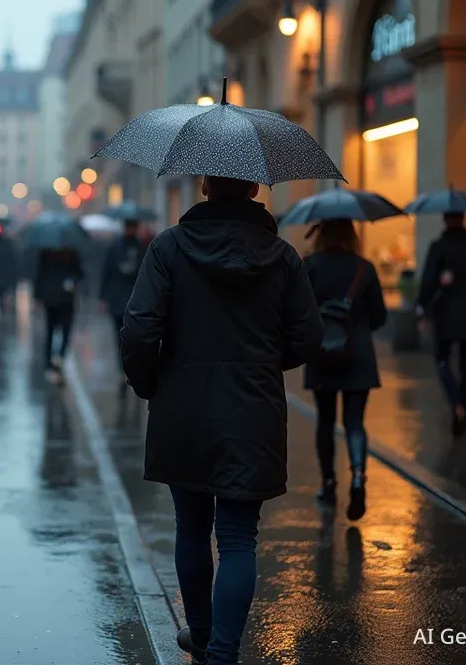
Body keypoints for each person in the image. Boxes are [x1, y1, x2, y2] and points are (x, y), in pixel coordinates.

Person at [121, 176, 322, 665]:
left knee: (191, 528)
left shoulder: (169, 247)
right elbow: (308, 337)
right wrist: (262, 363)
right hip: (252, 411)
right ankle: (223, 653)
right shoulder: (283, 256)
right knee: (237, 537)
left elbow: (140, 326)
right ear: (255, 190)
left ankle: (203, 633)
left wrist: (152, 384)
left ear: (205, 188)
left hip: (184, 407)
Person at [303, 219, 387, 521]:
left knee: (325, 421)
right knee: (355, 422)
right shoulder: (365, 268)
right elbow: (379, 316)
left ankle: (328, 484)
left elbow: (299, 311)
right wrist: (357, 328)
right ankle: (358, 478)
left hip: (322, 353)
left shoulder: (310, 265)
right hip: (358, 354)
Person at [416, 211, 466, 435]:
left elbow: (427, 281)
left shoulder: (438, 247)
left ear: (445, 220)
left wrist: (423, 308)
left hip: (445, 314)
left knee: (442, 360)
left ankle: (456, 404)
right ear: (464, 219)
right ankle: (463, 411)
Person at [100, 217, 144, 390]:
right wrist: (103, 298)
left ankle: (132, 368)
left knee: (135, 336)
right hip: (118, 299)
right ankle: (123, 370)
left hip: (136, 299)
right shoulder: (114, 247)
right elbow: (107, 272)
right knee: (119, 336)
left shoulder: (142, 247)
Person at [34, 246, 83, 383]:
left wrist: (38, 297)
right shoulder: (68, 253)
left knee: (54, 331)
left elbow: (39, 276)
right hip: (60, 299)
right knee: (60, 331)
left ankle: (54, 360)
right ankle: (56, 359)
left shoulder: (51, 253)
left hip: (57, 299)